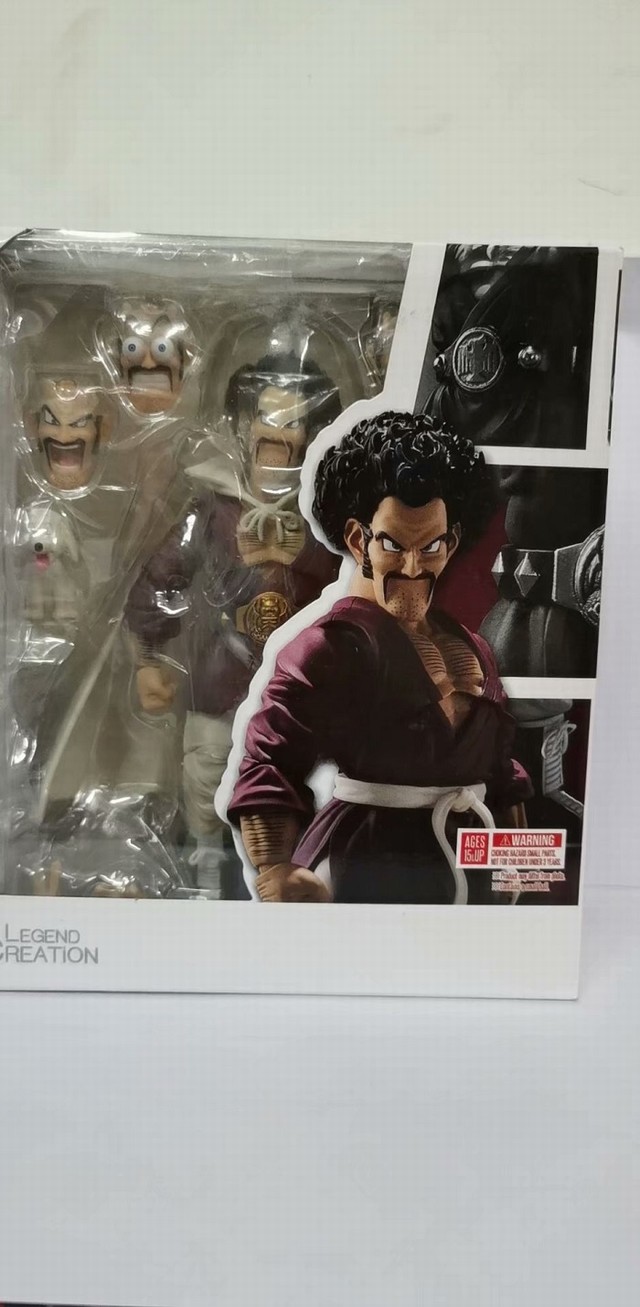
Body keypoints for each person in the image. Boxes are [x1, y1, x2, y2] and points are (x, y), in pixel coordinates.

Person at [226, 411, 531, 905]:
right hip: (364, 865)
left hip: (467, 865)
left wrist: (521, 870)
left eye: (431, 547)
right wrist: (277, 869)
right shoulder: (329, 647)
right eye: (393, 544)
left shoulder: (472, 648)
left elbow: (501, 774)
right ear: (357, 539)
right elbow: (269, 761)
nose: (412, 566)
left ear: (451, 542)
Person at [125, 348, 342, 896]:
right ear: (244, 427)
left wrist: (302, 556)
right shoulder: (214, 507)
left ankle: (295, 877)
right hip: (225, 671)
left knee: (305, 785)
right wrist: (149, 655)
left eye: (292, 422)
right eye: (265, 418)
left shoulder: (323, 512)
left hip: (303, 686)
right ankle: (202, 873)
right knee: (206, 773)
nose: (276, 432)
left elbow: (357, 577)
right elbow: (162, 575)